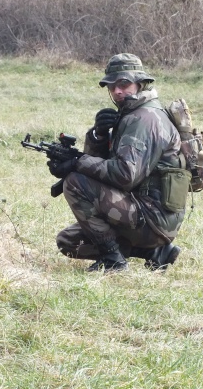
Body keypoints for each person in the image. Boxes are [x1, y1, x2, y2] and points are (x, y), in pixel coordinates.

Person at [48, 53, 186, 273]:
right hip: (139, 210)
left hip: (153, 217)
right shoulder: (130, 114)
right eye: (111, 86)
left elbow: (125, 175)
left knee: (74, 182)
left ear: (140, 84)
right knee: (69, 242)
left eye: (124, 84)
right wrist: (98, 137)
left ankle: (114, 261)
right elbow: (104, 167)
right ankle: (155, 252)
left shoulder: (145, 119)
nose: (117, 91)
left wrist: (77, 163)